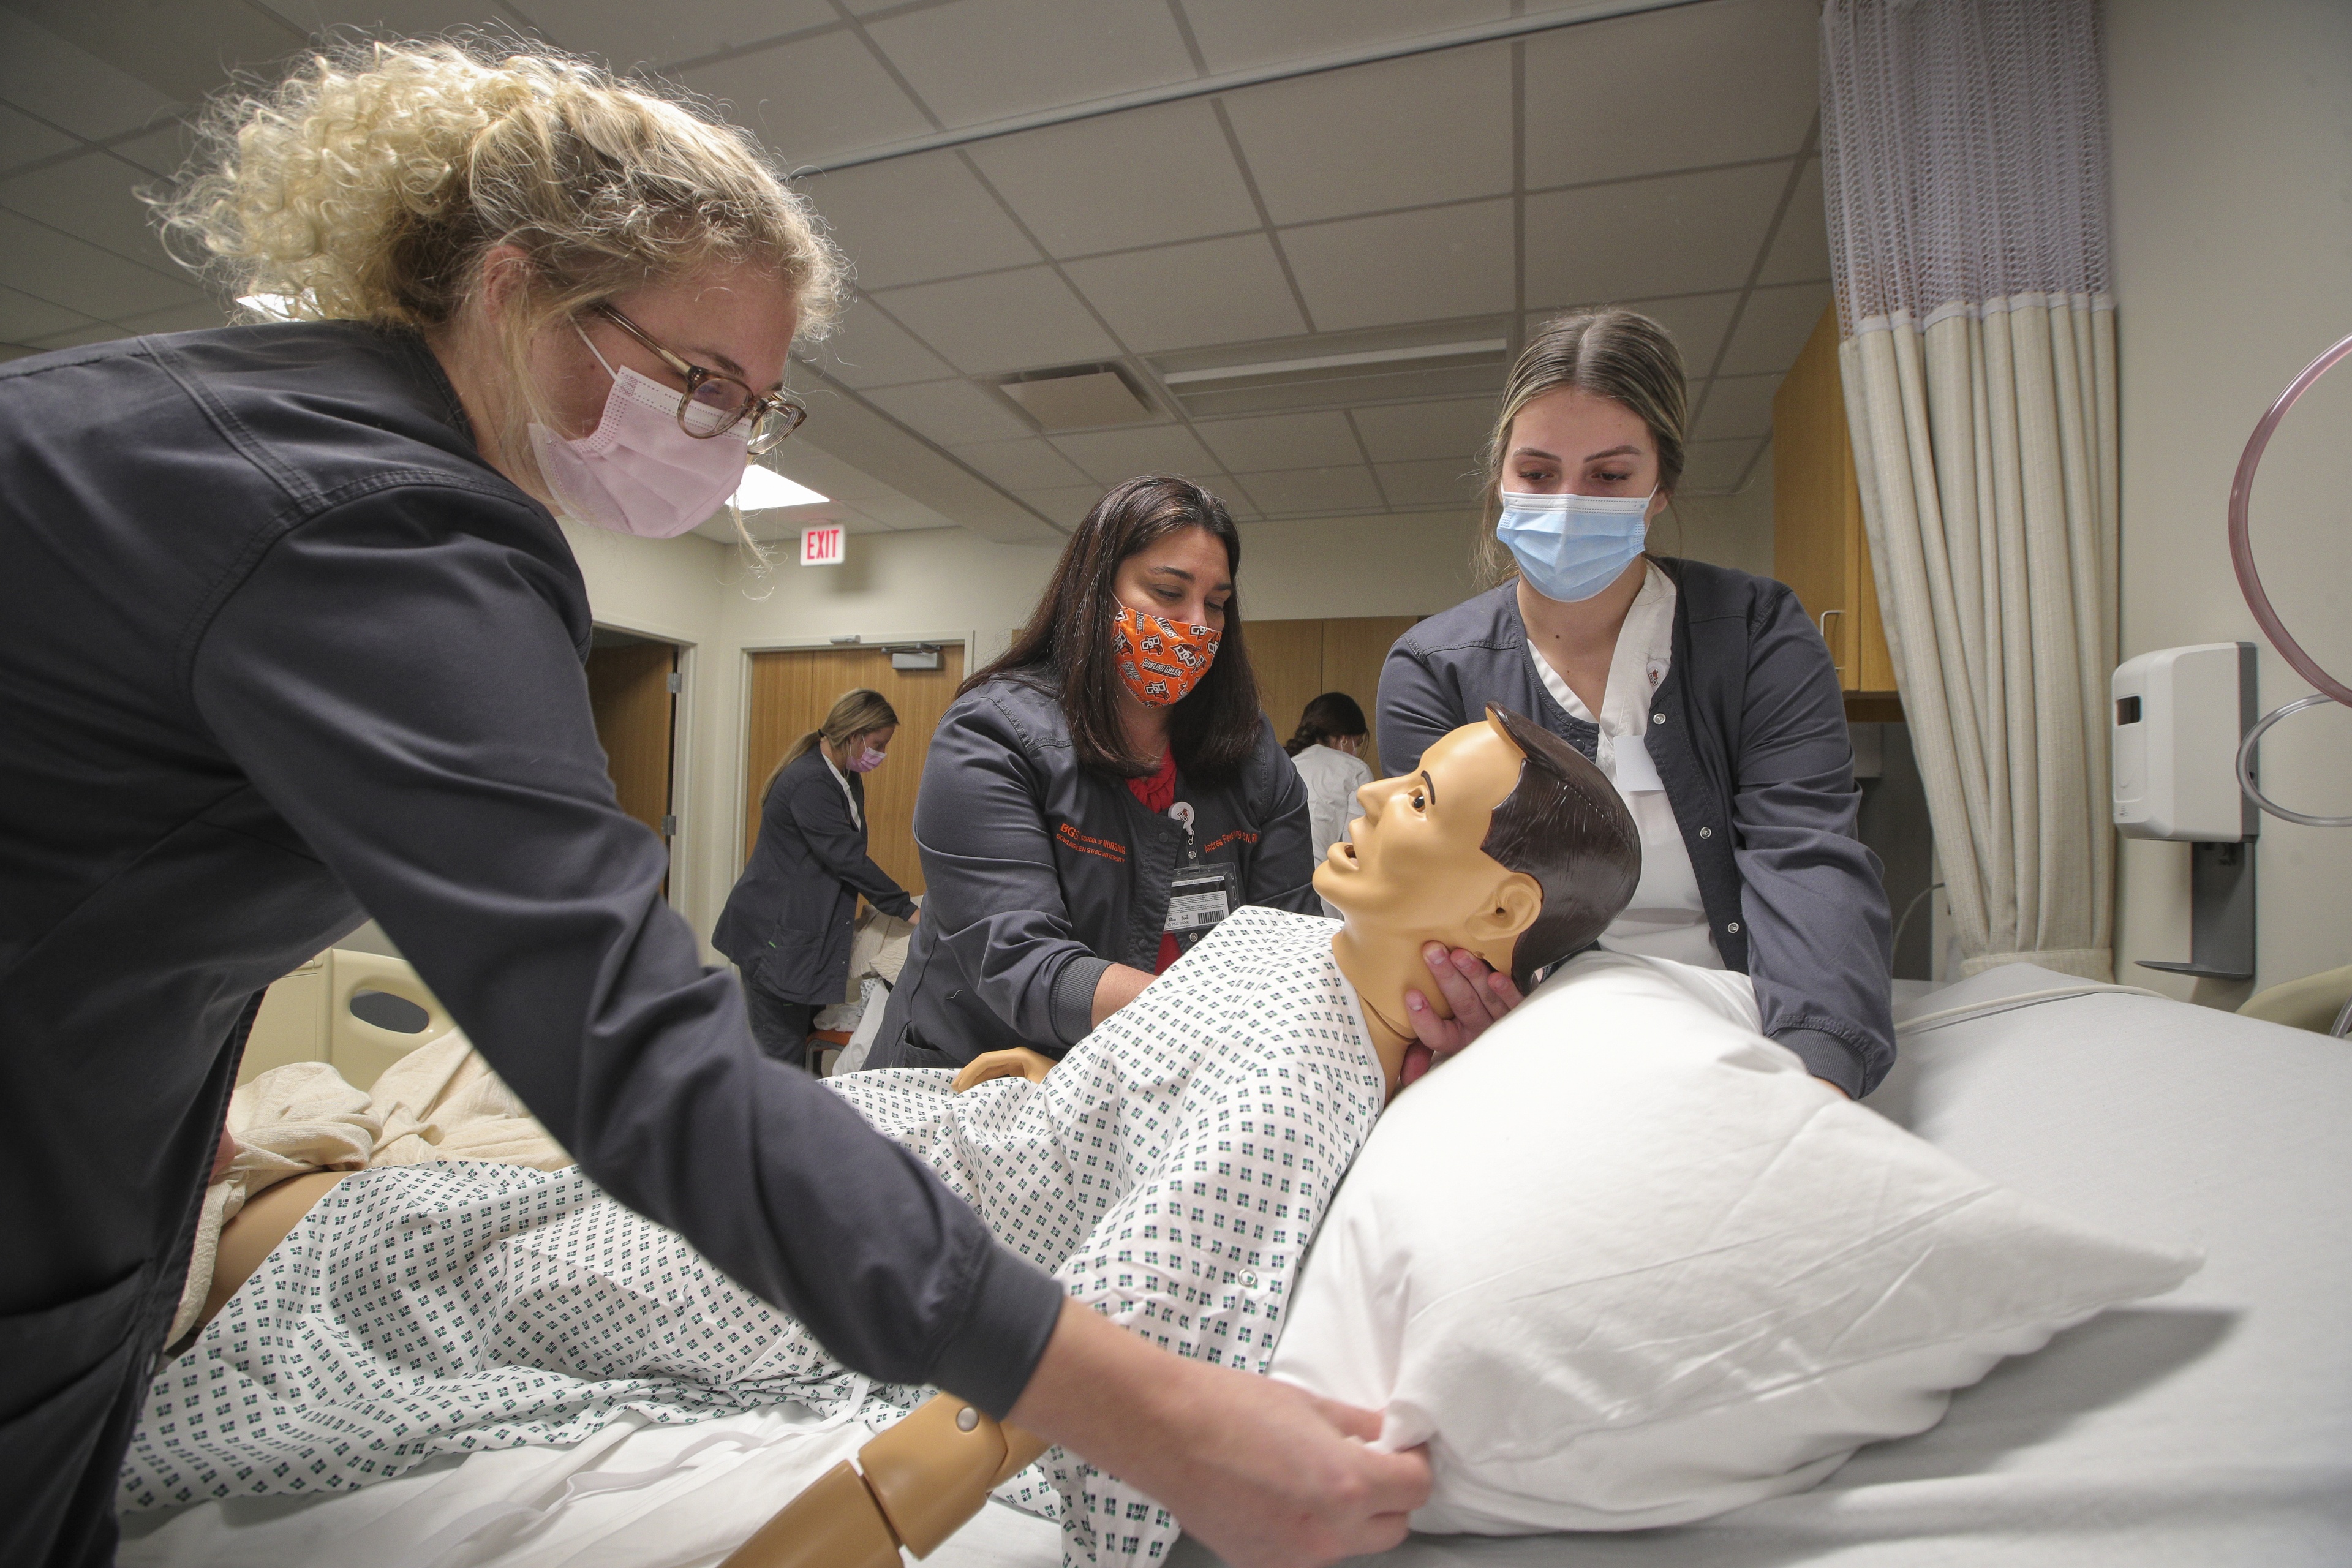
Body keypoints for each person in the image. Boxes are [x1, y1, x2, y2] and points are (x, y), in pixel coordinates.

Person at [0, 41, 1422, 1568]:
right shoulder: (380, 528)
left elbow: (107, 841)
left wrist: (185, 1089)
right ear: (514, 287)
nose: (727, 438)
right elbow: (641, 1059)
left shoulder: (240, 436)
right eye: (698, 381)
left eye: (758, 406)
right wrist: (1156, 1415)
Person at [134, 709, 1638, 1568]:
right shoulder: (1271, 937)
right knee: (517, 1192)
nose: (1373, 785)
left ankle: (199, 1252)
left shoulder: (1297, 1093)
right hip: (920, 1121)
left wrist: (860, 1510)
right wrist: (1015, 1082)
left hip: (884, 1230)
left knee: (468, 1256)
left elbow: (1088, 1352)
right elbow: (1111, 1070)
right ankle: (236, 1207)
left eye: (1422, 791)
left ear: (1500, 912)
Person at [1377, 309, 1896, 1098]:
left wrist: (1813, 1073)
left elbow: (1807, 855)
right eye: (1539, 473)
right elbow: (1434, 904)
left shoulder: (1756, 634)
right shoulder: (1433, 669)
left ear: (1660, 489)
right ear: (1501, 481)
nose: (1569, 502)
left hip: (1744, 1019)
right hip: (1535, 1037)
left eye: (1611, 476)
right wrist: (1457, 1012)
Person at [864, 475, 1322, 1071]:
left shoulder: (1253, 753)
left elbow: (1290, 940)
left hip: (1161, 1077)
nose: (1196, 625)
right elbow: (1024, 965)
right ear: (1095, 591)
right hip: (982, 1073)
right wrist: (1221, 1016)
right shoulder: (992, 733)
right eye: (1167, 591)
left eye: (1215, 603)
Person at [716, 688, 918, 1069]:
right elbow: (845, 857)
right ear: (855, 735)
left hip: (802, 930)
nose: (881, 755)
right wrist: (906, 909)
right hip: (774, 932)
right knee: (779, 1052)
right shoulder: (810, 781)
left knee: (800, 1042)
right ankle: (771, 1125)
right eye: (877, 744)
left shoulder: (844, 774)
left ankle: (795, 1117)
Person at [1284, 692, 1375, 919]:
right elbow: (1356, 850)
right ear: (1345, 739)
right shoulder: (1354, 769)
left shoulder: (1287, 766)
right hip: (1327, 899)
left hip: (1280, 896)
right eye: (1358, 743)